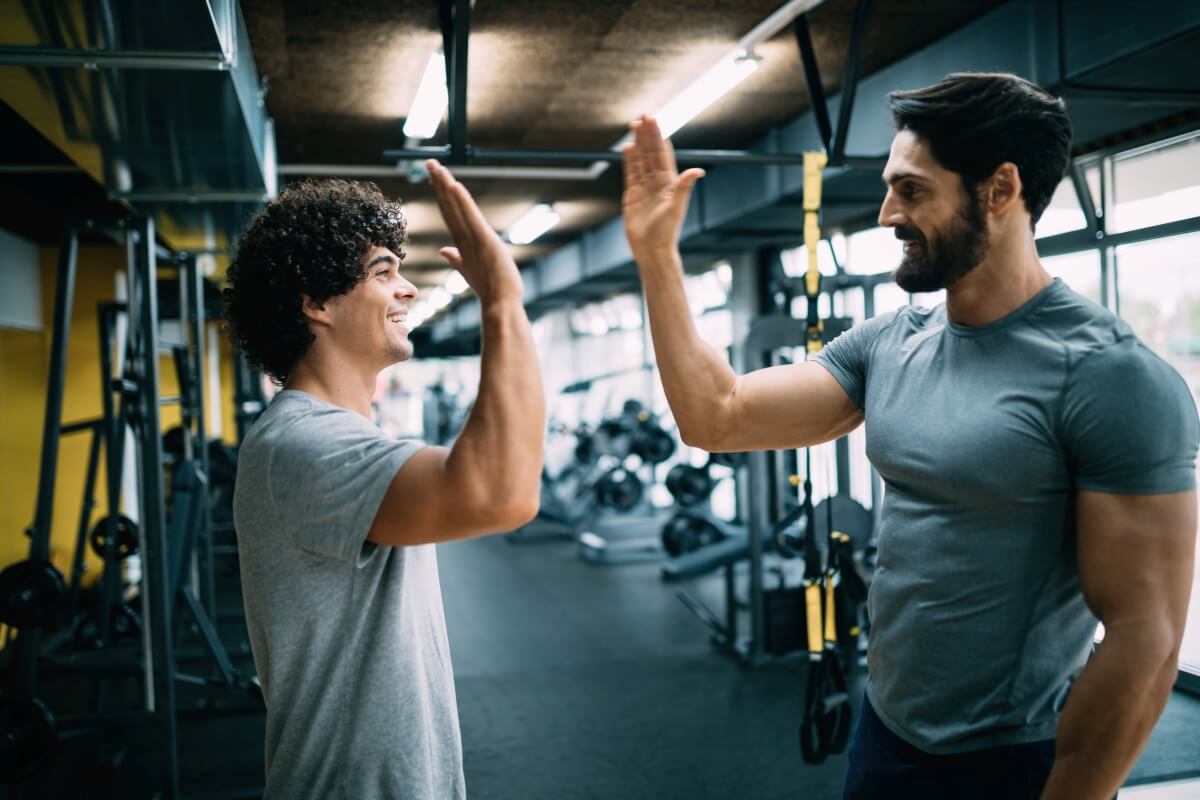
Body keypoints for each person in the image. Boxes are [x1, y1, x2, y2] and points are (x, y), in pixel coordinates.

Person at [621, 72, 1198, 799]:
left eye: (912, 190)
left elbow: (1145, 640)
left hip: (1010, 760)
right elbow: (719, 415)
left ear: (1001, 189)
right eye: (891, 188)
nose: (888, 213)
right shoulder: (891, 342)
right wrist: (657, 259)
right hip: (885, 732)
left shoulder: (1108, 375)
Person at [222, 165, 543, 799]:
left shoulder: (326, 435)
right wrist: (503, 302)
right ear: (317, 303)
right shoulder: (301, 445)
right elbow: (500, 495)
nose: (408, 289)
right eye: (382, 272)